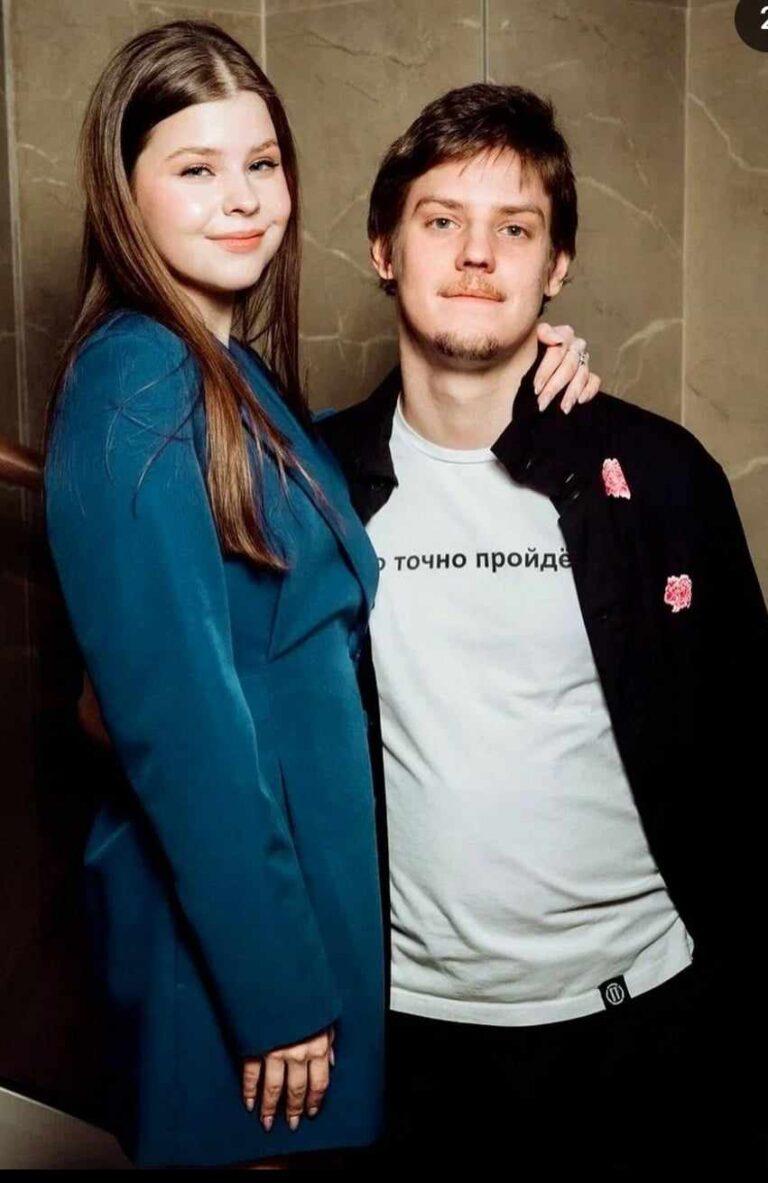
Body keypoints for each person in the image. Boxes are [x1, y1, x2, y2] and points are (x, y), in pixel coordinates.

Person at [43, 24, 595, 1170]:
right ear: (123, 191)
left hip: (296, 909)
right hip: (236, 948)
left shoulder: (230, 372)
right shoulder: (138, 375)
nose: (243, 198)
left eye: (262, 163)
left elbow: (299, 539)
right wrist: (275, 986)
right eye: (197, 169)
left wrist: (524, 363)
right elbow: (177, 720)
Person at [319, 83, 768, 1174]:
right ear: (383, 248)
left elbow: (747, 749)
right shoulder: (310, 483)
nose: (478, 255)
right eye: (441, 220)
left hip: (645, 1024)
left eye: (514, 229)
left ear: (555, 265)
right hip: (409, 1036)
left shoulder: (659, 477)